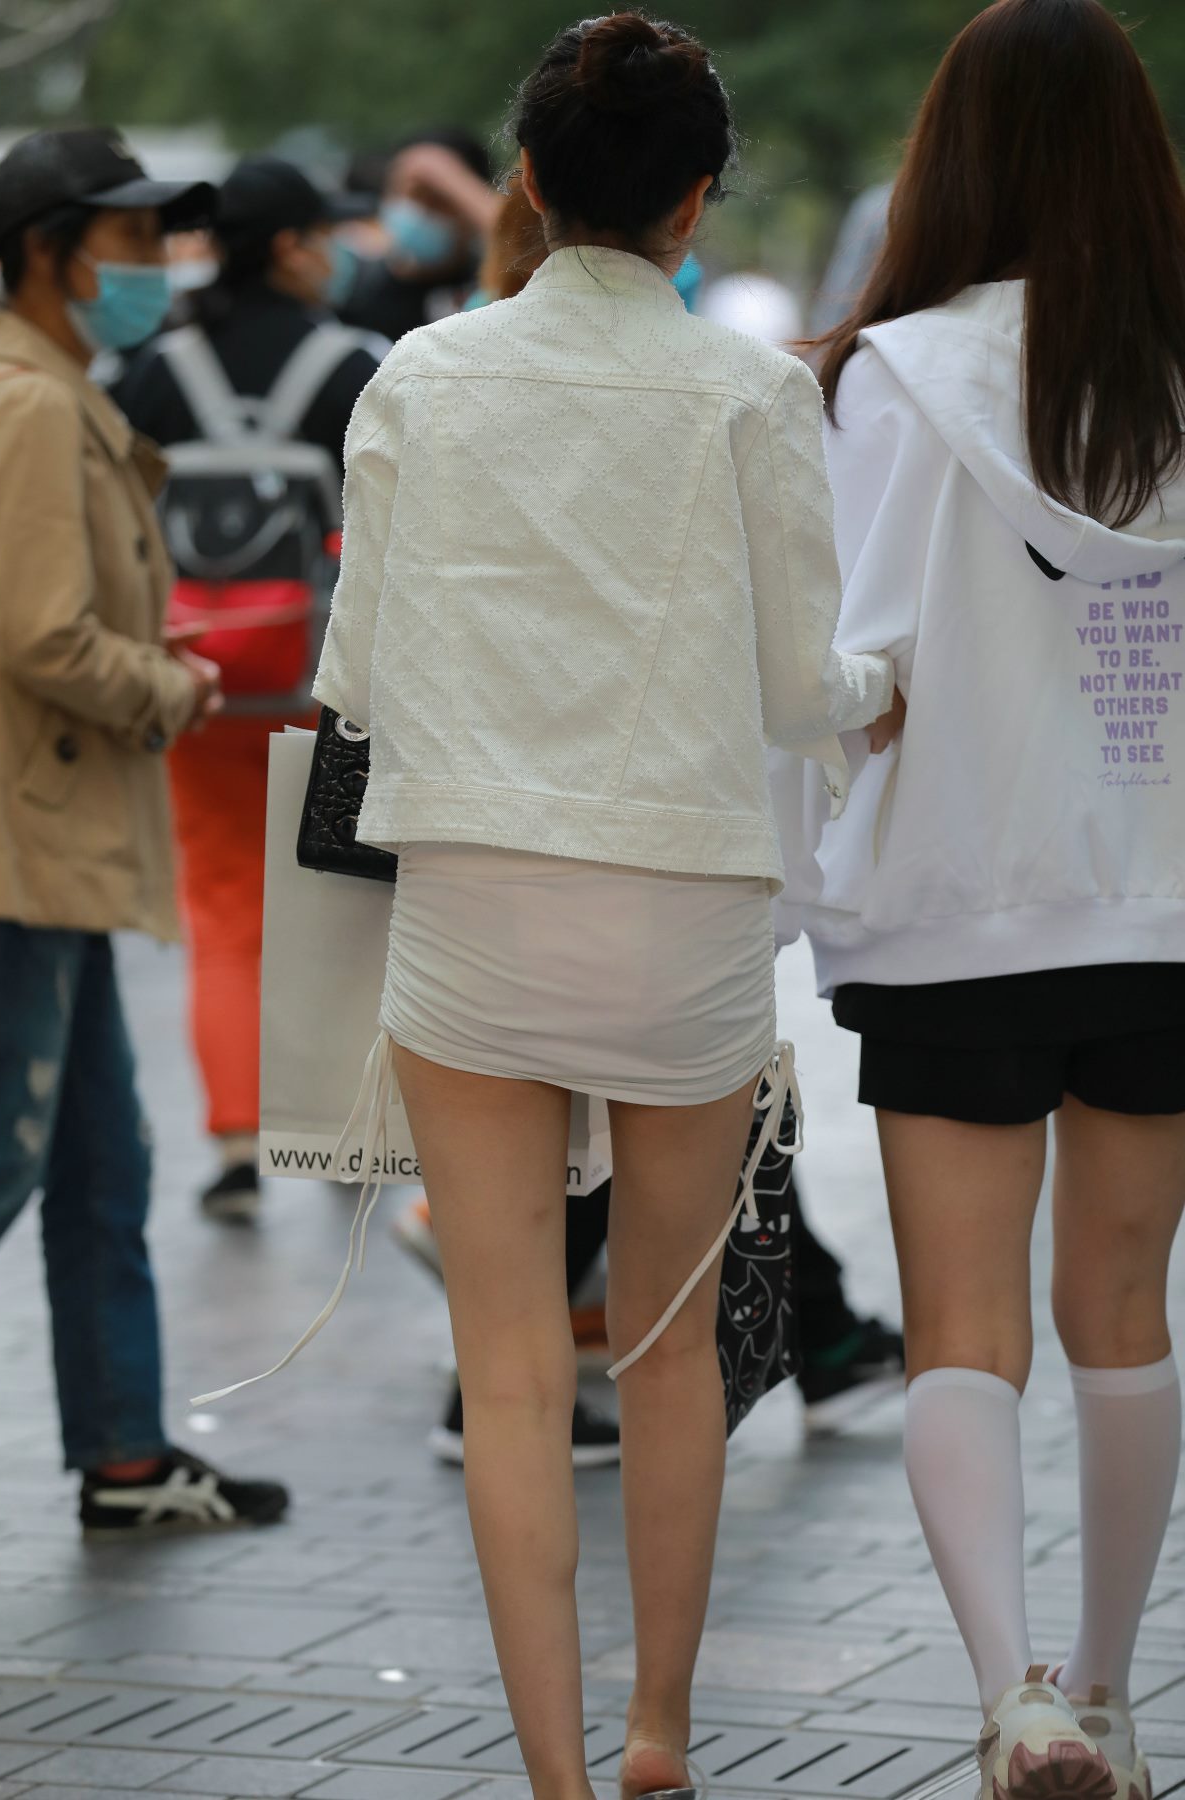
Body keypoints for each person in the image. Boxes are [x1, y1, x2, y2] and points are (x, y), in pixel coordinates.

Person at [311, 17, 896, 1799]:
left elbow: (357, 679)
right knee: (669, 1350)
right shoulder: (752, 392)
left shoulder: (420, 375)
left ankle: (558, 1778)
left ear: (531, 180)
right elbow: (799, 687)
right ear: (697, 199)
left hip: (473, 903)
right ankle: (660, 1734)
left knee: (507, 1368)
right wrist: (884, 685)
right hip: (680, 917)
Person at [794, 4, 1185, 1797]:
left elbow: (850, 660)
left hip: (956, 902)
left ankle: (1010, 1696)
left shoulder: (888, 379)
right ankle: (1111, 1690)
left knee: (961, 1323)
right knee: (1127, 1310)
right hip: (1163, 903)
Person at [0, 127, 288, 1534]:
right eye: (130, 238)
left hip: (58, 842)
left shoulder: (60, 393)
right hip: (21, 847)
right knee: (7, 1154)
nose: (158, 263)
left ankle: (123, 1454)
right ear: (49, 255)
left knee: (104, 1165)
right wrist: (169, 684)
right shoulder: (32, 406)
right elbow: (44, 635)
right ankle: (120, 1446)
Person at [114, 156, 386, 1222]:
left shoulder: (151, 371)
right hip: (327, 680)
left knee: (222, 906)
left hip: (197, 679)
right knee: (341, 903)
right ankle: (340, 1128)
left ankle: (235, 1144)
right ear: (288, 246)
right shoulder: (355, 367)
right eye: (323, 235)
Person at [338, 128, 502, 340]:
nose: (416, 212)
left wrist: (449, 175)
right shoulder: (354, 290)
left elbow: (526, 241)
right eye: (401, 195)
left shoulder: (494, 286)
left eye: (437, 198)